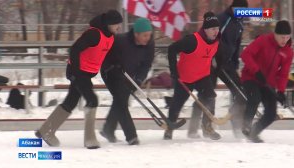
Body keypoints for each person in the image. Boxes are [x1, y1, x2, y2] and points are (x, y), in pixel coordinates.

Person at [35, 10, 123, 149]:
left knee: (71, 101)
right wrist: (76, 73)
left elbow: (104, 54)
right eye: (116, 24)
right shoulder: (94, 34)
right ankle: (90, 139)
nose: (119, 27)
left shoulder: (110, 37)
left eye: (119, 24)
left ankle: (46, 130)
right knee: (92, 100)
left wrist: (116, 64)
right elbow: (75, 50)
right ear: (108, 24)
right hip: (78, 71)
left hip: (86, 73)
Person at [188, 0, 248, 139]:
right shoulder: (221, 19)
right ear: (234, 8)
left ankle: (237, 123)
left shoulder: (239, 22)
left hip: (226, 63)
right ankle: (202, 127)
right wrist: (208, 56)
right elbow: (204, 35)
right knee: (207, 95)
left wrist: (234, 63)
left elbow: (236, 43)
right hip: (210, 61)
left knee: (240, 91)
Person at [164, 12, 220, 140]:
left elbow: (215, 57)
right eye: (212, 29)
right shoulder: (192, 40)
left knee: (210, 97)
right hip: (185, 78)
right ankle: (169, 129)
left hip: (202, 76)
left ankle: (207, 127)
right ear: (205, 29)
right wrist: (173, 70)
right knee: (177, 104)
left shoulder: (216, 42)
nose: (216, 32)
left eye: (217, 28)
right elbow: (171, 49)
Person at [100, 18, 154, 145]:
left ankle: (108, 128)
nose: (148, 38)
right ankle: (131, 136)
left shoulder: (149, 45)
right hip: (111, 73)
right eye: (145, 35)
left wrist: (139, 79)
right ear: (136, 34)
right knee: (121, 100)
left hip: (131, 77)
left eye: (149, 35)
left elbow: (146, 65)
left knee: (120, 99)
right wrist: (112, 66)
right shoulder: (120, 41)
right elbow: (104, 53)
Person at [241, 20, 293, 143]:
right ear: (275, 34)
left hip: (268, 84)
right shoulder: (263, 41)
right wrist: (256, 71)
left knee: (271, 113)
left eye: (287, 37)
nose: (284, 40)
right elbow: (245, 54)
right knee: (255, 98)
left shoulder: (288, 52)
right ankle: (246, 125)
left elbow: (283, 73)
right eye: (281, 37)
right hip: (251, 77)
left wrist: (280, 91)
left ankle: (253, 133)